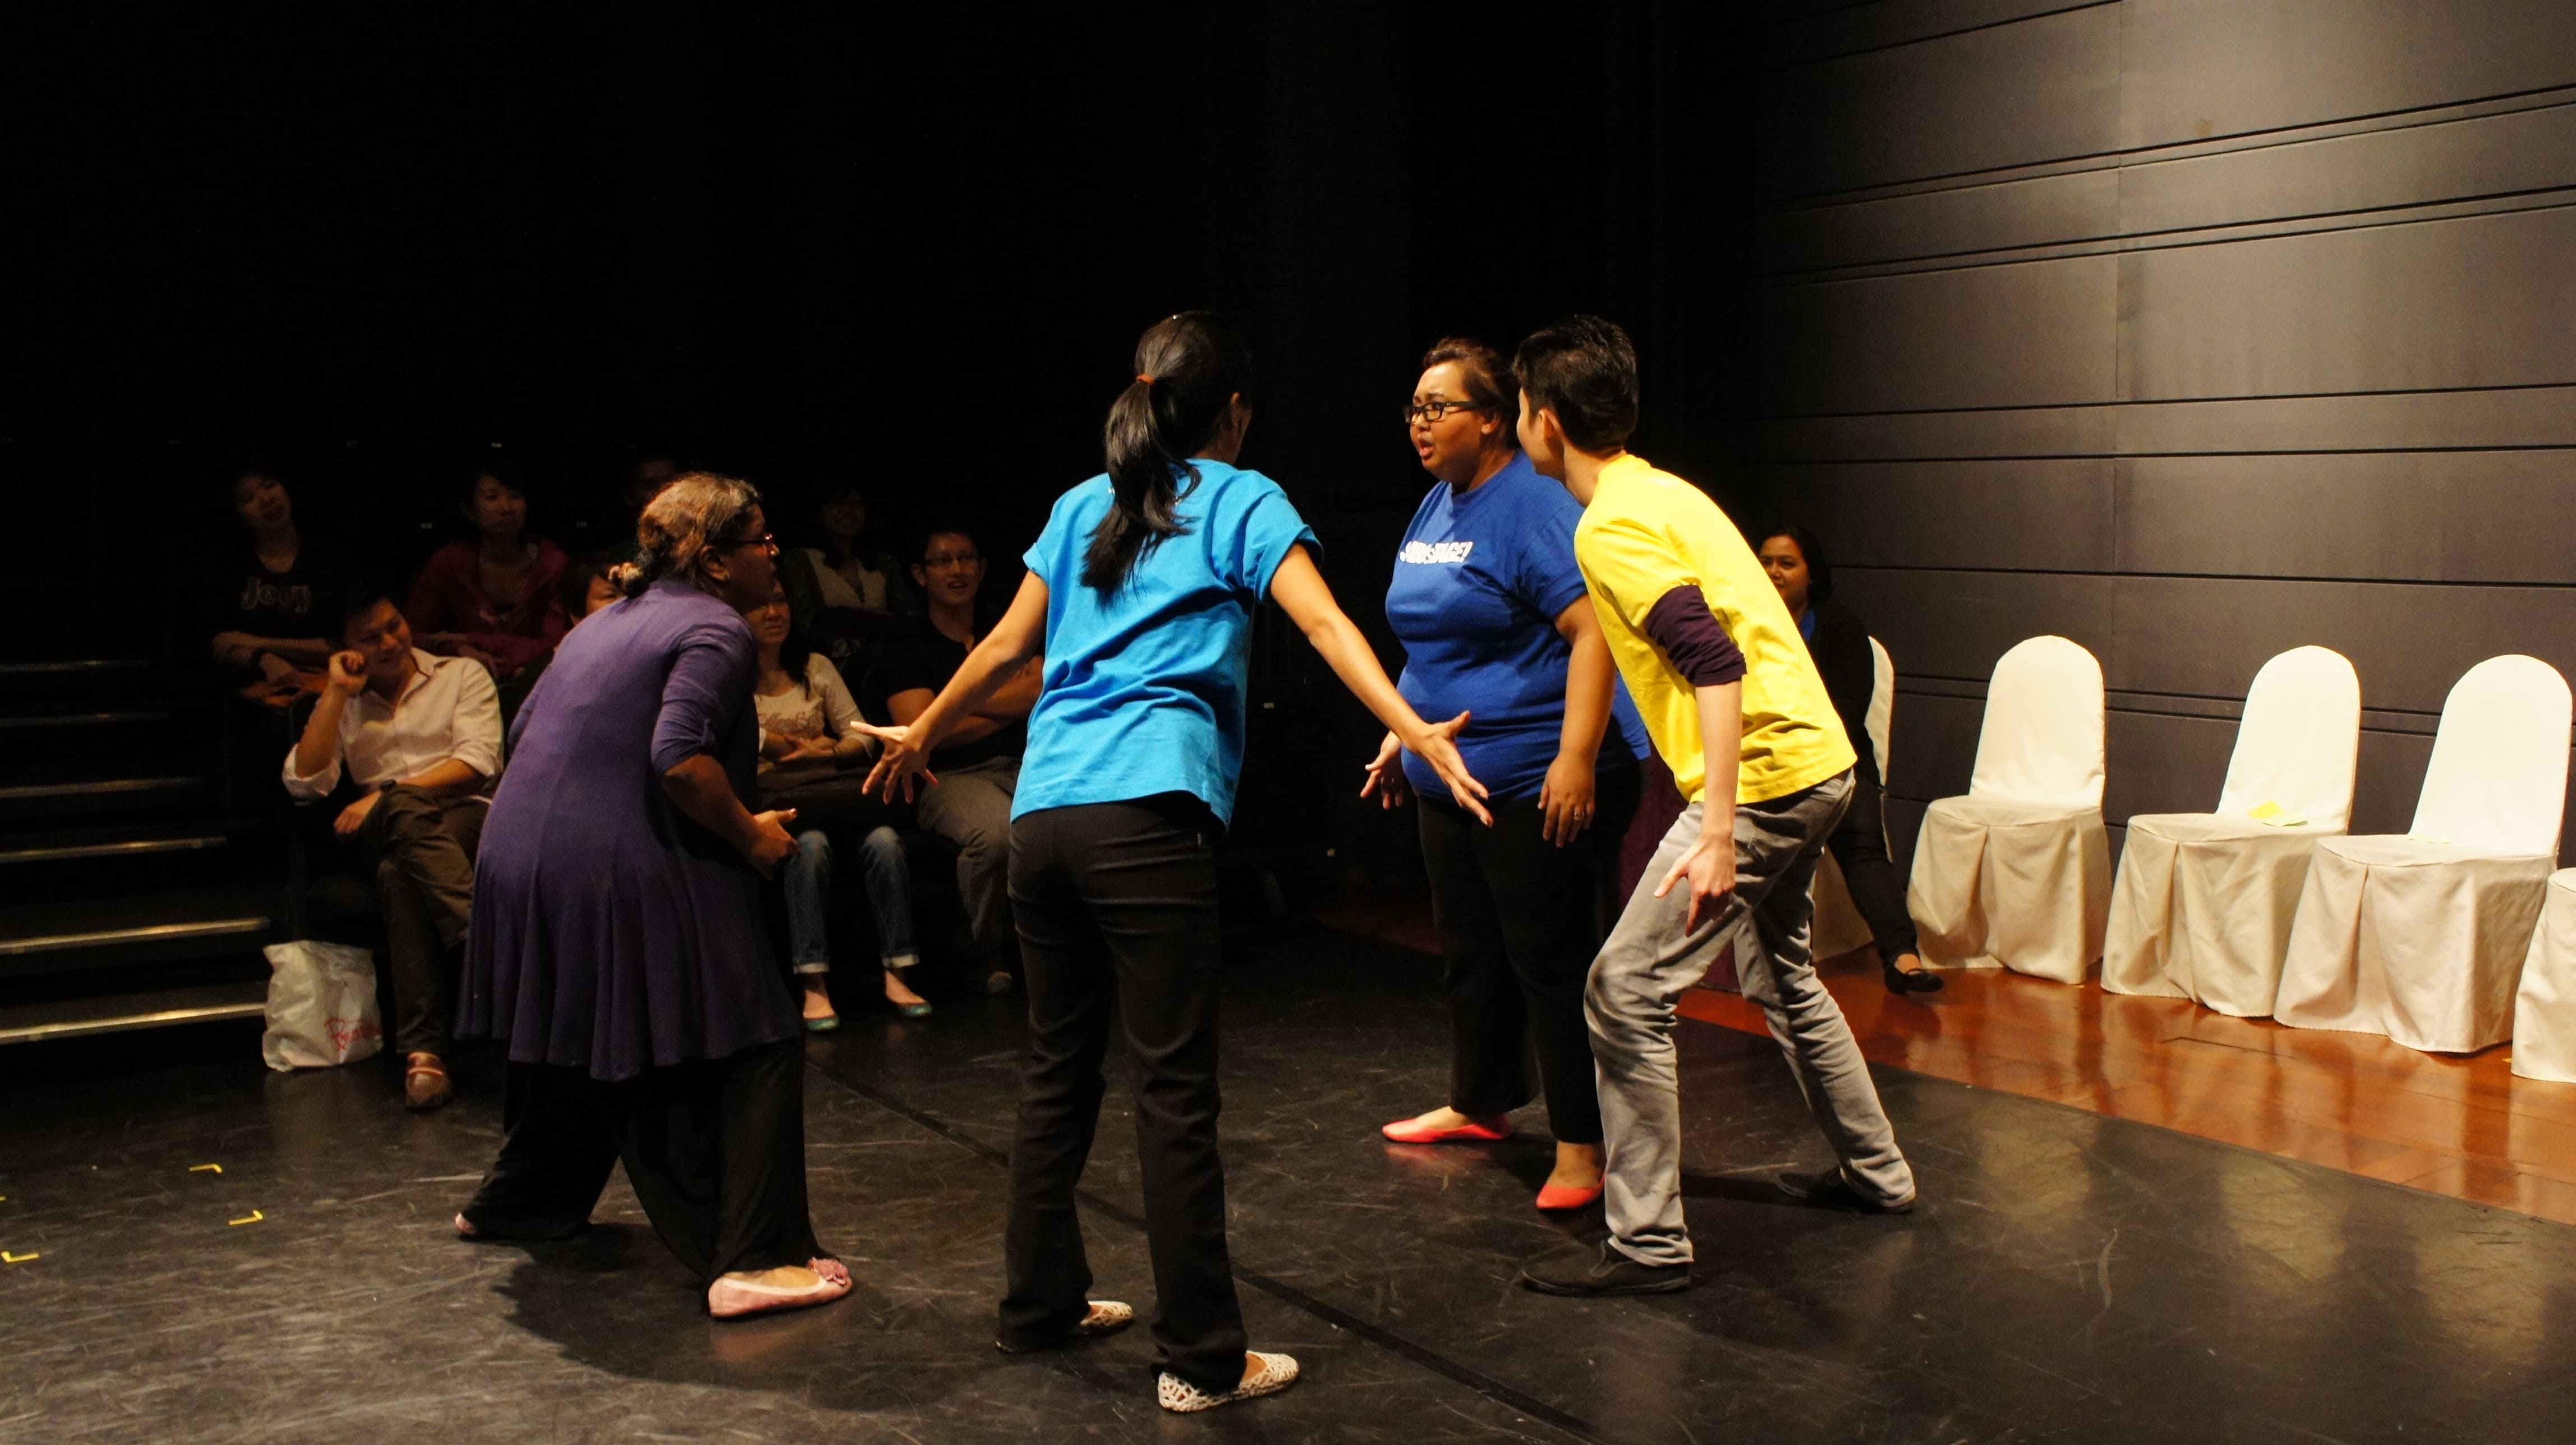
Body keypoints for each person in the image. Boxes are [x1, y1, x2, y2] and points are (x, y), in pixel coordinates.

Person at [867, 311, 1489, 1414]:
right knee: (1171, 1089)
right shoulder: (1243, 498)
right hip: (1144, 816)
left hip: (1046, 816)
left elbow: (1007, 646)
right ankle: (1203, 1355)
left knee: (1058, 1068)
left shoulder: (1077, 505)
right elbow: (1327, 628)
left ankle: (1039, 1303)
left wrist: (923, 731)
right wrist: (1416, 722)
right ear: (1234, 410)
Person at [1509, 317, 1916, 1299]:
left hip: (1769, 778)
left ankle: (1647, 1242)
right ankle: (1879, 1174)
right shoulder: (1660, 489)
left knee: (1622, 988)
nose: (1523, 423)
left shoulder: (1607, 524)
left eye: (1522, 407)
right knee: (1782, 974)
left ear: (1548, 423)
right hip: (1818, 764)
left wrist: (1722, 831)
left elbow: (1713, 660)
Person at [453, 473, 858, 1322]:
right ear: (714, 562)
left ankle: (521, 1201)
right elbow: (677, 757)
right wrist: (750, 836)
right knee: (755, 1028)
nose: (774, 552)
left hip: (519, 855)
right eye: (760, 539)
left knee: (584, 1026)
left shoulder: (605, 622)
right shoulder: (716, 628)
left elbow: (531, 735)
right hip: (606, 863)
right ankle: (753, 1255)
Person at [1361, 337, 1649, 1213]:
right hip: (1448, 778)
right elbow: (1431, 637)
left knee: (1550, 963)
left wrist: (1572, 759)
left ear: (1493, 418)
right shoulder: (1438, 506)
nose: (1419, 424)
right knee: (1472, 955)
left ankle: (1582, 1144)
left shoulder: (1529, 504)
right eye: (1412, 408)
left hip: (1535, 780)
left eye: (1436, 408)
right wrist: (1401, 732)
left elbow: (1595, 631)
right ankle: (1481, 1100)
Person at [282, 590, 502, 1111]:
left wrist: (386, 794)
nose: (389, 642)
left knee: (397, 874)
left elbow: (477, 763)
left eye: (394, 625)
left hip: (465, 814)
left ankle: (424, 1053)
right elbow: (304, 783)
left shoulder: (460, 675)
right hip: (382, 827)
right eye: (370, 637)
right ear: (345, 648)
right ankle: (483, 945)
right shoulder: (343, 702)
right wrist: (337, 692)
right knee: (400, 822)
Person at [1757, 524, 1940, 996]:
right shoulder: (1748, 624)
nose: (1774, 571)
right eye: (1767, 561)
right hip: (1766, 765)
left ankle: (1902, 958)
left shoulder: (1840, 626)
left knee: (1862, 845)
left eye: (1787, 563)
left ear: (1812, 575)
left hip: (1838, 762)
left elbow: (1848, 710)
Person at [746, 595, 929, 1027]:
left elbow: (862, 735)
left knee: (885, 841)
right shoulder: (731, 675)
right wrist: (809, 748)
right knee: (809, 847)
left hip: (831, 796)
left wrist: (828, 751)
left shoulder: (815, 667)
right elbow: (741, 735)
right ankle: (813, 982)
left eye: (780, 602)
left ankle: (897, 971)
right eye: (760, 605)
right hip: (782, 805)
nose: (774, 612)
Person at [880, 522, 1036, 997]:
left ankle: (1054, 954)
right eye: (942, 560)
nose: (956, 569)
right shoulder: (905, 644)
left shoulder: (1007, 631)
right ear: (920, 574)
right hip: (946, 777)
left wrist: (947, 708)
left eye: (966, 558)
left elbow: (1041, 687)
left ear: (983, 569)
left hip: (1024, 764)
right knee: (993, 837)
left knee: (1066, 828)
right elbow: (921, 734)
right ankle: (982, 955)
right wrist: (1004, 702)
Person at [406, 461, 571, 685]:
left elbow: (559, 642)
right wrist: (459, 650)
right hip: (462, 681)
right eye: (492, 497)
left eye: (516, 496)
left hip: (537, 680)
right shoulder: (449, 563)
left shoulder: (553, 564)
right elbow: (412, 633)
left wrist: (471, 639)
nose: (507, 507)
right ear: (469, 511)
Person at [211, 470, 342, 687]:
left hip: (329, 686)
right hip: (258, 695)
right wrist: (262, 659)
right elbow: (221, 644)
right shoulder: (232, 567)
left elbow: (341, 644)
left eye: (270, 485)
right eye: (248, 498)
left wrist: (256, 643)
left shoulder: (326, 558)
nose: (266, 499)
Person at [779, 482, 917, 670]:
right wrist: (880, 620)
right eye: (837, 503)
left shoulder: (884, 563)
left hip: (885, 670)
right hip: (824, 671)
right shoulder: (801, 561)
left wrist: (841, 618)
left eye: (855, 504)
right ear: (820, 510)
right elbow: (809, 625)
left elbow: (910, 620)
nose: (846, 511)